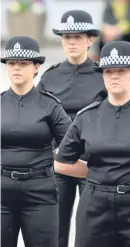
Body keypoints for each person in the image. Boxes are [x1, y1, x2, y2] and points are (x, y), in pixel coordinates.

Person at [54, 40, 130, 247]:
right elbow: (61, 162)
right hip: (95, 205)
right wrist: (97, 172)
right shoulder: (86, 117)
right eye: (108, 71)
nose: (114, 76)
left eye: (121, 70)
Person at [37, 9, 107, 247]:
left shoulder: (104, 76)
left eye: (78, 36)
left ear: (90, 40)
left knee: (91, 232)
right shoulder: (50, 77)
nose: (72, 42)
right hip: (59, 165)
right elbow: (40, 120)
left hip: (93, 165)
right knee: (56, 231)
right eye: (67, 37)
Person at [1, 36, 71, 247]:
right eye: (11, 63)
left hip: (40, 192)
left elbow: (71, 143)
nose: (16, 68)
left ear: (36, 67)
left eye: (23, 63)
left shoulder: (49, 105)